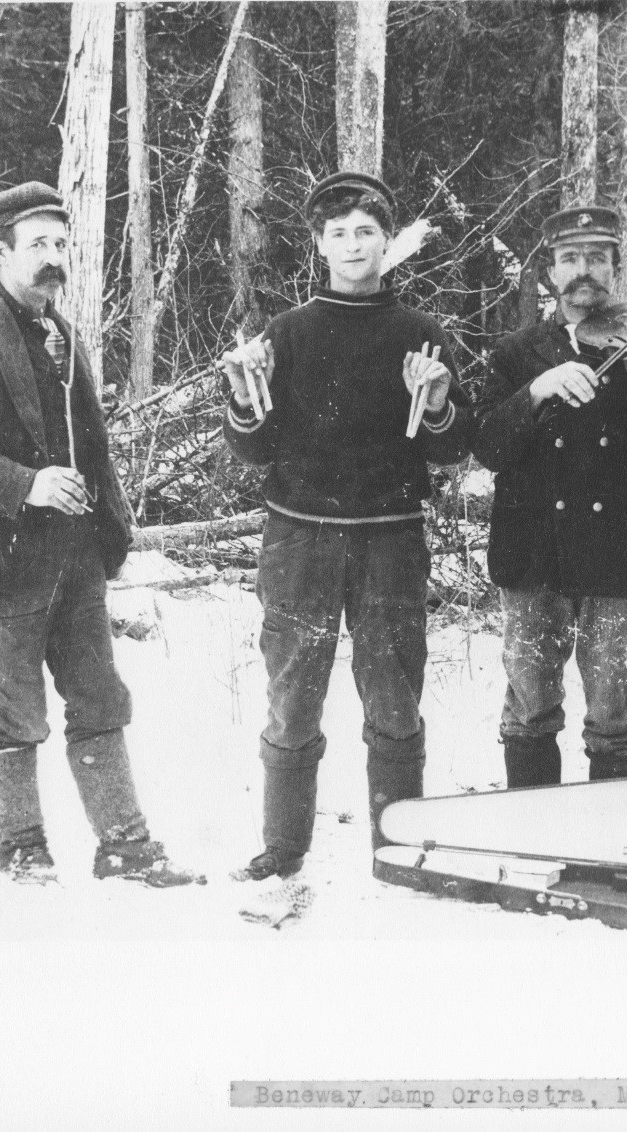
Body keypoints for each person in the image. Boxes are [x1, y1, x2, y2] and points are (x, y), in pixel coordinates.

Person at [0, 181, 204, 887]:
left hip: (73, 561)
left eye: (61, 244)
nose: (53, 257)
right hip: (0, 561)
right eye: (38, 244)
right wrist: (25, 483)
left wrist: (112, 535)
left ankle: (125, 846)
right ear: (0, 249)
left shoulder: (59, 332)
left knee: (100, 699)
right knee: (15, 709)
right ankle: (22, 847)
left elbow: (91, 445)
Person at [220, 172, 474, 880]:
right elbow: (253, 446)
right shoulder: (288, 333)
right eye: (338, 232)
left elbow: (452, 445)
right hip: (299, 538)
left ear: (387, 241)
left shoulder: (420, 335)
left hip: (390, 537)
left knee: (395, 697)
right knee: (292, 694)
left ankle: (398, 850)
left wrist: (440, 399)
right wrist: (244, 398)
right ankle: (283, 848)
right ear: (318, 245)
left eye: (366, 230)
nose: (353, 244)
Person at [472, 205, 627, 787]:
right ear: (549, 272)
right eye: (570, 258)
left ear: (614, 268)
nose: (584, 271)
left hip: (616, 551)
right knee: (529, 706)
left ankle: (614, 846)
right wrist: (537, 390)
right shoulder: (515, 352)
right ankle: (537, 833)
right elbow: (486, 446)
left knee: (613, 710)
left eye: (598, 259)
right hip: (533, 553)